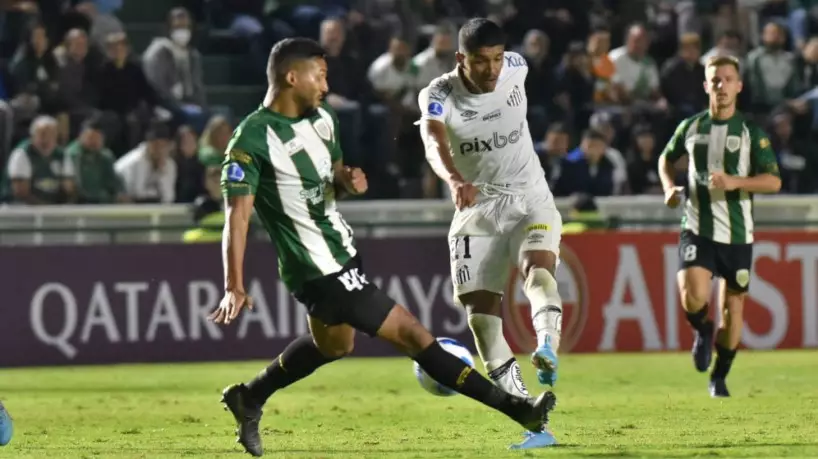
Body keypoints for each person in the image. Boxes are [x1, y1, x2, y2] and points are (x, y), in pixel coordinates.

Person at [209, 37, 556, 457]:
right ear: (291, 77)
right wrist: (234, 284)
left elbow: (331, 177)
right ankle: (520, 411)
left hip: (340, 250)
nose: (325, 84)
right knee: (415, 336)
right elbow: (237, 216)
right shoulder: (250, 140)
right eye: (319, 75)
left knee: (335, 345)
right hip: (315, 266)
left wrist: (346, 182)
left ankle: (249, 396)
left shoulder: (323, 118)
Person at [416, 18, 564, 449]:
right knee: (482, 321)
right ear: (461, 59)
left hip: (529, 197)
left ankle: (547, 346)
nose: (492, 69)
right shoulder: (438, 94)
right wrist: (453, 179)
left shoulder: (517, 66)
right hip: (476, 208)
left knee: (537, 272)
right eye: (481, 61)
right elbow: (432, 136)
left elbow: (518, 61)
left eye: (497, 58)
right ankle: (531, 416)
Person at [657, 55, 781, 398]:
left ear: (739, 86)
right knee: (692, 295)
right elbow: (665, 159)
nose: (721, 86)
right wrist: (669, 188)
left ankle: (719, 375)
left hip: (737, 234)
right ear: (706, 85)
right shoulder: (691, 127)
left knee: (734, 308)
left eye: (728, 79)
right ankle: (702, 328)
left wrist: (735, 181)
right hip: (696, 224)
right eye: (715, 80)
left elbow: (773, 181)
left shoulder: (751, 133)